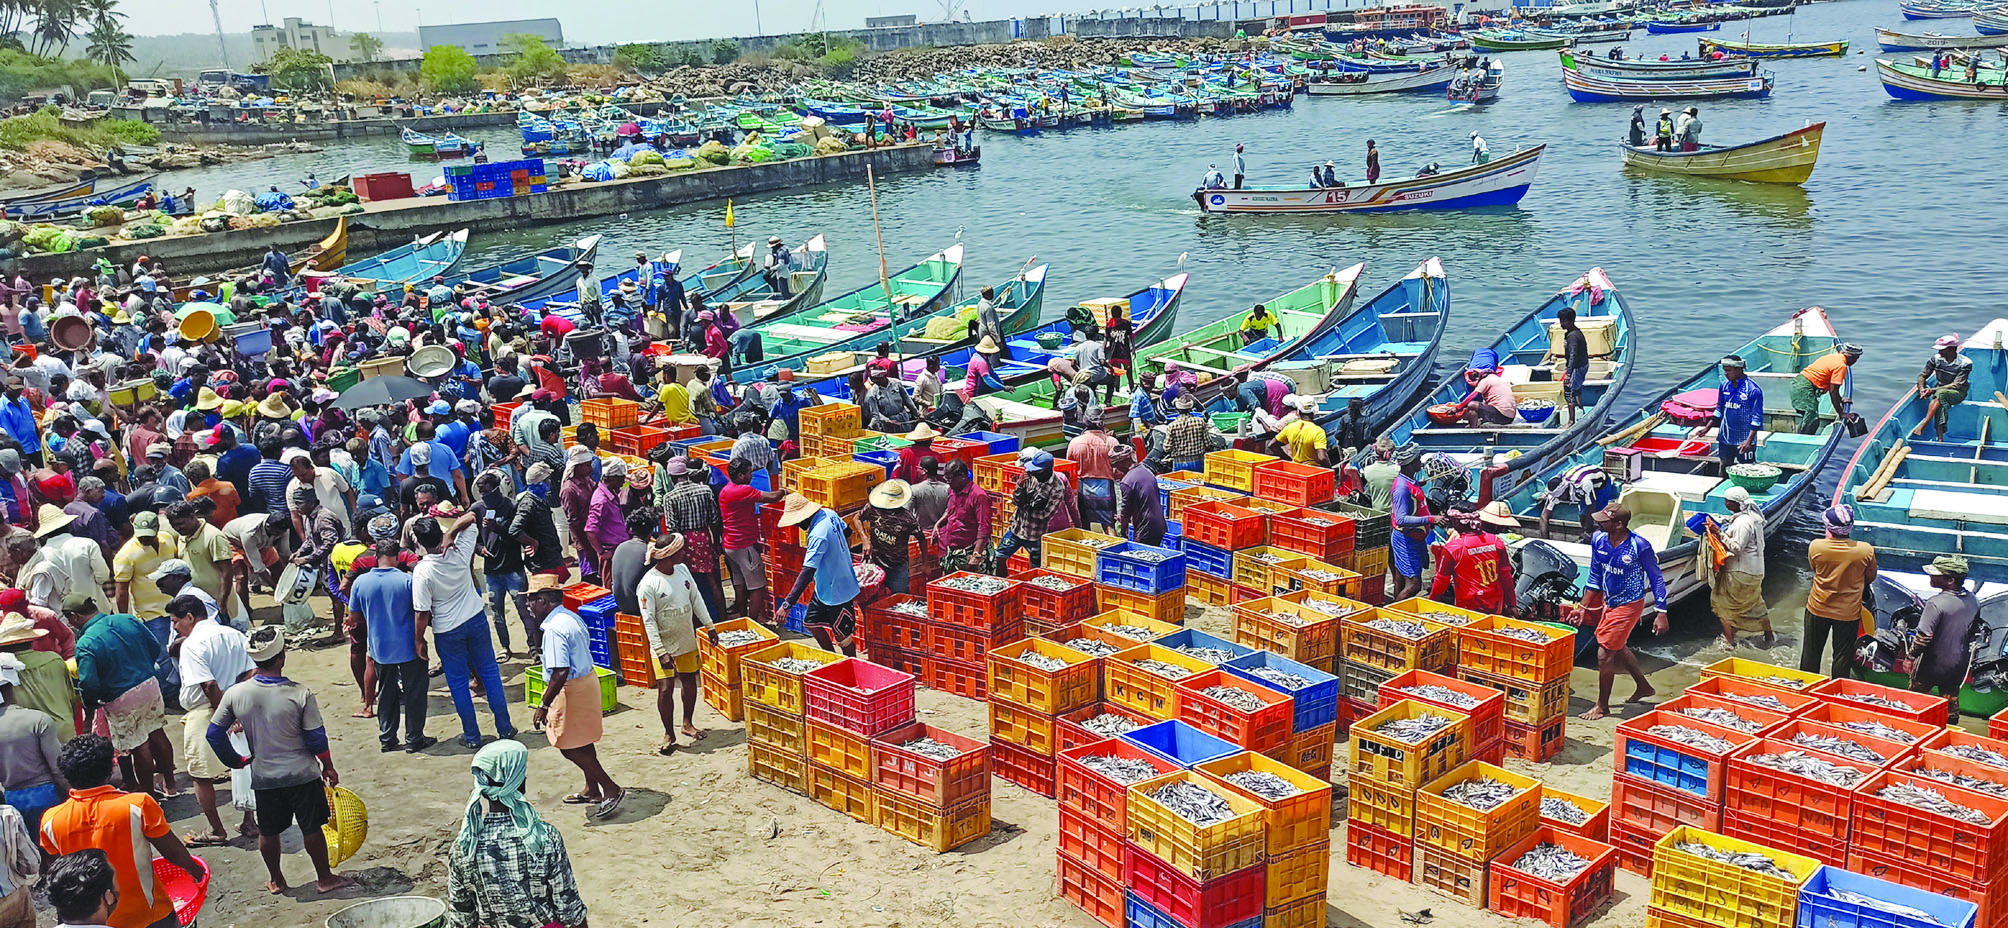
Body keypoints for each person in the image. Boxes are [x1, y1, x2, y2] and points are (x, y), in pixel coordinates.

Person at [207, 626, 351, 894]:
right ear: (281, 656)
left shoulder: (236, 694)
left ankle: (276, 880)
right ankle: (324, 878)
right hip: (303, 775)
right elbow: (316, 739)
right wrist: (328, 766)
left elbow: (214, 734)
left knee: (268, 831)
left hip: (264, 776)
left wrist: (237, 761)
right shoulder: (300, 694)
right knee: (312, 828)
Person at [39, 736, 202, 928]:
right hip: (147, 914)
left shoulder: (51, 820)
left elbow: (53, 868)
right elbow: (173, 852)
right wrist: (196, 871)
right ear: (110, 770)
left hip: (90, 919)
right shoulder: (137, 805)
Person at [445, 740, 590, 928]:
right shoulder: (544, 837)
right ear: (520, 782)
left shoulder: (464, 846)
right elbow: (569, 910)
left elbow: (461, 919)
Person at [413, 512, 514, 749]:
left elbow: (421, 612)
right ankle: (505, 728)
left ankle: (472, 736)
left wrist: (419, 639)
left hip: (447, 630)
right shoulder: (459, 550)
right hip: (475, 619)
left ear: (419, 543)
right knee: (490, 674)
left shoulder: (422, 571)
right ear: (440, 533)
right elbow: (470, 516)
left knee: (458, 683)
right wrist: (451, 533)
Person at [526, 575, 625, 817]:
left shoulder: (554, 630)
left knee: (568, 746)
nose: (529, 606)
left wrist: (543, 704)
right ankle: (592, 789)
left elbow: (560, 671)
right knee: (582, 739)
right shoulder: (570, 616)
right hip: (586, 681)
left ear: (543, 601)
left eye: (531, 600)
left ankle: (610, 788)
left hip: (571, 689)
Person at [66, 595, 176, 801]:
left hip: (120, 696)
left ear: (73, 617)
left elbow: (88, 683)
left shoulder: (86, 642)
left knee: (139, 745)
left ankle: (149, 796)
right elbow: (153, 646)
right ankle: (170, 784)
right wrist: (142, 668)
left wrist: (91, 702)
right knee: (157, 732)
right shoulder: (127, 619)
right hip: (149, 684)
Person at [165, 594, 253, 848]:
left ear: (190, 617)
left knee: (200, 774)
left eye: (175, 621)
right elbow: (252, 671)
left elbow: (209, 684)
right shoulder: (234, 634)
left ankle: (217, 830)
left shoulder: (193, 644)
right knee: (243, 765)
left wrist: (224, 714)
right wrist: (236, 703)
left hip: (209, 711)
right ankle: (250, 821)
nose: (174, 627)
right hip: (237, 705)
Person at [350, 515, 434, 754]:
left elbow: (355, 617)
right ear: (397, 557)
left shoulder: (361, 583)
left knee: (386, 694)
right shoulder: (408, 580)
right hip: (409, 646)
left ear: (376, 558)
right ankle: (414, 738)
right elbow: (421, 611)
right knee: (415, 693)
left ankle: (387, 738)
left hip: (379, 648)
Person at [1579, 503, 1668, 721]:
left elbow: (1656, 578)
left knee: (1604, 654)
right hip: (1609, 602)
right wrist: (1583, 607)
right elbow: (1594, 576)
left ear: (1618, 524)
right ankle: (1643, 686)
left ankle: (1602, 706)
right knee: (1617, 647)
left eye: (1604, 521)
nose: (1598, 523)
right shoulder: (1598, 540)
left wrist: (1661, 611)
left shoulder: (1639, 546)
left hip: (1630, 604)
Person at [634, 534, 710, 756]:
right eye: (681, 551)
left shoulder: (683, 571)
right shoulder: (648, 584)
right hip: (663, 643)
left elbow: (695, 598)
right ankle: (669, 733)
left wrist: (709, 626)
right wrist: (660, 651)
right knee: (666, 688)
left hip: (686, 638)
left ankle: (687, 723)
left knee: (689, 680)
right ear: (669, 555)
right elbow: (648, 620)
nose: (684, 554)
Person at [775, 493, 861, 656]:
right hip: (824, 586)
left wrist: (787, 604)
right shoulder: (829, 513)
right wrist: (842, 555)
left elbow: (807, 572)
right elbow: (848, 532)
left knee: (843, 637)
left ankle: (852, 663)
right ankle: (832, 657)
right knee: (810, 622)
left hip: (840, 590)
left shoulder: (818, 535)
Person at [1802, 504, 1875, 680]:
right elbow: (1870, 577)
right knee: (1842, 656)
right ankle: (1835, 690)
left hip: (1818, 607)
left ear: (1829, 528)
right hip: (1848, 612)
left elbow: (1815, 569)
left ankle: (1806, 687)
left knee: (1811, 652)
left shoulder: (1816, 546)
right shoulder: (1865, 550)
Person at [0, 650, 66, 832]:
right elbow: (58, 767)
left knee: (32, 856)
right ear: (13, 685)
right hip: (48, 796)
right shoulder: (38, 720)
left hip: (12, 800)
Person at [1912, 555, 1979, 723]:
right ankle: (1949, 733)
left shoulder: (1935, 603)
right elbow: (1973, 631)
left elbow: (1924, 637)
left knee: (1914, 703)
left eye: (1936, 574)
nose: (1931, 576)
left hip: (1931, 665)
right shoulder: (1973, 600)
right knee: (1951, 707)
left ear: (1949, 579)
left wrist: (1910, 656)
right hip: (1957, 665)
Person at [1707, 485, 1770, 650]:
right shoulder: (1753, 517)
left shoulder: (1743, 523)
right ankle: (1769, 635)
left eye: (1728, 501)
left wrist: (1718, 532)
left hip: (1741, 572)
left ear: (1735, 504)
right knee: (1755, 603)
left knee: (1724, 606)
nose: (1725, 503)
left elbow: (1736, 548)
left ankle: (1729, 644)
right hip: (1755, 570)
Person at [1430, 503, 1518, 615]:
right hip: (1495, 603)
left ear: (1457, 522)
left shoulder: (1453, 548)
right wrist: (1511, 604)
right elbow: (1506, 576)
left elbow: (1441, 581)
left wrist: (1431, 603)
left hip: (1469, 605)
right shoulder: (1496, 541)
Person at [993, 452, 1065, 573]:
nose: (1033, 473)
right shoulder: (1028, 477)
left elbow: (1045, 515)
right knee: (999, 556)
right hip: (1016, 529)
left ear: (1046, 471)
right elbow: (1016, 501)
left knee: (1035, 568)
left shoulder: (1057, 488)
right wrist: (1019, 486)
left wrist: (1026, 507)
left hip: (1035, 535)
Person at [1388, 446, 1435, 603]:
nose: (1420, 463)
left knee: (1400, 578)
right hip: (1406, 539)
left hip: (1413, 537)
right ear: (1410, 463)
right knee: (1414, 585)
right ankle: (1392, 612)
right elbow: (1401, 519)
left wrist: (1417, 484)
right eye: (1417, 460)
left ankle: (1396, 609)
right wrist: (1430, 519)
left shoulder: (1408, 482)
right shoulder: (1401, 487)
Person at [862, 480, 924, 595]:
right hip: (876, 563)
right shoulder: (872, 509)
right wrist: (865, 540)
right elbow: (857, 518)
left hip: (898, 567)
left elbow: (921, 538)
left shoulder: (907, 518)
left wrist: (926, 563)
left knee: (900, 598)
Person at [932, 460, 992, 575]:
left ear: (962, 476)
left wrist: (976, 555)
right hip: (952, 550)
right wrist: (938, 524)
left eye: (950, 479)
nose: (948, 483)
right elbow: (950, 510)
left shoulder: (979, 496)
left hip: (969, 551)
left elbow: (984, 528)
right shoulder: (952, 490)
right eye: (946, 479)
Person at [1789, 343, 1860, 435]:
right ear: (1851, 357)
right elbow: (1833, 391)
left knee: (1808, 417)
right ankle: (1802, 441)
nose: (1856, 361)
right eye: (1856, 358)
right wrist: (1841, 413)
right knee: (1812, 418)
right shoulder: (1841, 366)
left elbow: (1834, 390)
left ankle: (1800, 435)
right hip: (1803, 387)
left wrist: (1841, 400)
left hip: (1799, 382)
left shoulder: (1833, 357)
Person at [1540, 462, 1618, 541]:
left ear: (1566, 490)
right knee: (1583, 516)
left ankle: (1601, 536)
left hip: (1601, 484)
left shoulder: (1584, 483)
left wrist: (1588, 531)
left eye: (1561, 497)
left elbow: (1591, 507)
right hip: (1581, 489)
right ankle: (1588, 533)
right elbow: (1544, 517)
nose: (1559, 500)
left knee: (1598, 515)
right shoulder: (1554, 493)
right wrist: (1546, 540)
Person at [1917, 333, 1972, 442]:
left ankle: (1923, 425)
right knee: (1940, 402)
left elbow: (1957, 384)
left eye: (1942, 349)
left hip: (1958, 393)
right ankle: (1940, 439)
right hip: (1940, 391)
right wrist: (1921, 389)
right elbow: (1922, 375)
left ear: (1951, 350)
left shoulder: (1965, 363)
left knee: (1940, 394)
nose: (1939, 352)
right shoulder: (1936, 359)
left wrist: (1933, 390)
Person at [1112, 444, 1166, 547]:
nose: (1115, 469)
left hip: (1146, 528)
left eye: (1115, 464)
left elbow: (1125, 513)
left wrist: (1123, 533)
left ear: (1123, 462)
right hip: (1160, 525)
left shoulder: (1127, 482)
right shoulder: (1147, 471)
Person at [1715, 354, 1763, 470]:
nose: (1725, 374)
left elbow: (1756, 419)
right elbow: (1719, 409)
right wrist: (1706, 428)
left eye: (1728, 371)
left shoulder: (1753, 390)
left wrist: (1749, 441)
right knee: (1724, 466)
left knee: (1747, 469)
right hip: (1725, 438)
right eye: (1724, 371)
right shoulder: (1724, 386)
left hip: (1744, 439)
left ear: (1739, 369)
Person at [1555, 307, 1590, 426]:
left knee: (1568, 390)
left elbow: (1573, 354)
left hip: (1577, 366)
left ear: (1571, 321)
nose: (1561, 324)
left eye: (1564, 321)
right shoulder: (1573, 333)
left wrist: (1568, 373)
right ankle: (1581, 409)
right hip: (1581, 365)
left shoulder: (1573, 336)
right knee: (1577, 388)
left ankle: (1571, 421)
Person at [1272, 398, 1330, 465]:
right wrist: (1330, 469)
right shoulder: (1318, 431)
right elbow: (1322, 457)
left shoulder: (1290, 427)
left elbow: (1272, 445)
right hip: (1313, 469)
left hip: (1296, 467)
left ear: (1298, 412)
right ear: (1314, 412)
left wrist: (1288, 459)